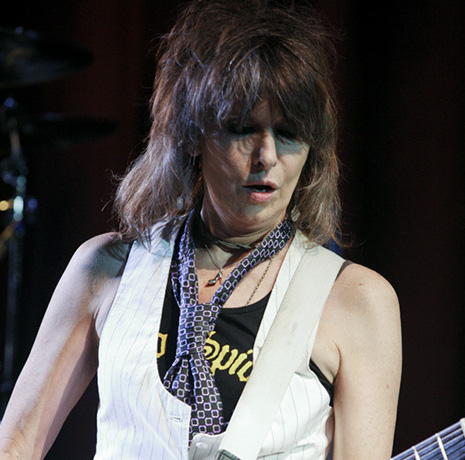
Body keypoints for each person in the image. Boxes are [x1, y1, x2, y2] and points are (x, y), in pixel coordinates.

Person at [0, 0, 402, 459]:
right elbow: (16, 444)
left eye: (289, 133)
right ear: (193, 134)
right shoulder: (106, 268)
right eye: (243, 128)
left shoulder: (357, 301)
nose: (267, 156)